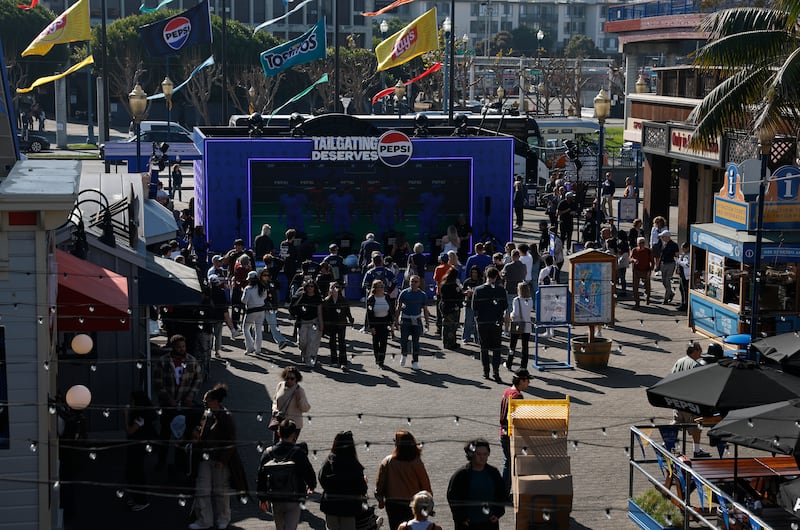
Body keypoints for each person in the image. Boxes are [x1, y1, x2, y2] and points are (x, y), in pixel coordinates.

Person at [190, 384, 246, 530]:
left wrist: (222, 460)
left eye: (206, 401)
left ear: (216, 401)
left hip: (220, 460)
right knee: (202, 489)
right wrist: (196, 433)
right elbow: (200, 426)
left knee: (221, 491)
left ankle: (223, 518)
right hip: (205, 457)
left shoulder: (226, 417)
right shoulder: (207, 413)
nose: (204, 404)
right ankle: (204, 520)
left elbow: (231, 441)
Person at [153, 334, 203, 469]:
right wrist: (168, 399)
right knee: (165, 434)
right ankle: (161, 461)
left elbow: (198, 380)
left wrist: (190, 396)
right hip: (168, 405)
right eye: (179, 347)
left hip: (185, 404)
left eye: (183, 346)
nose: (182, 349)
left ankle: (179, 464)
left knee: (183, 435)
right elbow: (158, 383)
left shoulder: (191, 361)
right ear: (173, 347)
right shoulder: (163, 361)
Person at [258, 420, 317, 530]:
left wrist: (262, 498)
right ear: (294, 435)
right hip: (294, 497)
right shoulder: (298, 453)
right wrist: (311, 485)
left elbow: (261, 477)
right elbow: (308, 472)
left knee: (280, 527)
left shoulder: (268, 453)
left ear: (278, 433)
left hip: (275, 497)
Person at [375, 430, 433, 530]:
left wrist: (380, 499)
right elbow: (425, 484)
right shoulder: (416, 463)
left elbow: (380, 483)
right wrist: (428, 502)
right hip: (412, 503)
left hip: (393, 503)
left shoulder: (388, 461)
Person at [446, 438, 506, 530]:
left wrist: (498, 512)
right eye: (479, 454)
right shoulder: (461, 475)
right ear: (471, 454)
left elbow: (501, 494)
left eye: (485, 454)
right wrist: (462, 518)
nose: (482, 457)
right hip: (469, 525)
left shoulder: (493, 473)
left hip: (489, 524)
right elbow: (453, 497)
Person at [319, 431, 369, 530]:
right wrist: (364, 481)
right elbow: (362, 489)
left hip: (331, 504)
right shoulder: (354, 465)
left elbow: (321, 479)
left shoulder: (329, 461)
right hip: (348, 507)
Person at [670, 343, 711, 458]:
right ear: (695, 351)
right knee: (696, 426)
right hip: (689, 402)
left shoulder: (679, 361)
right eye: (700, 350)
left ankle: (666, 444)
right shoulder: (696, 365)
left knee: (677, 422)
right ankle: (697, 450)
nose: (701, 353)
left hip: (677, 400)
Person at [472, 267, 508, 382]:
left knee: (484, 348)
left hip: (482, 321)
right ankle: (496, 372)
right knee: (497, 348)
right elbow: (505, 306)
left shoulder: (478, 290)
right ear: (496, 276)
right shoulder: (501, 290)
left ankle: (485, 371)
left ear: (485, 275)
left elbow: (474, 307)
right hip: (496, 322)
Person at [499, 370, 530, 496]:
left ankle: (503, 491)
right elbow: (517, 417)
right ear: (521, 380)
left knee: (508, 462)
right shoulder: (517, 396)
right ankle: (504, 492)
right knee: (510, 464)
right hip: (510, 434)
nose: (529, 383)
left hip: (503, 432)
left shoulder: (507, 391)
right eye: (527, 380)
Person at [124, 391, 157, 511]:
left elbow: (130, 431)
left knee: (136, 473)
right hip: (138, 447)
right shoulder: (143, 412)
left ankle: (141, 500)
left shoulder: (140, 416)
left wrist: (126, 415)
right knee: (133, 472)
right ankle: (135, 497)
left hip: (137, 447)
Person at [395, 275, 431, 370]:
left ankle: (415, 361)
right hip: (405, 319)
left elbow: (425, 309)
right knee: (403, 340)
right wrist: (396, 320)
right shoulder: (404, 293)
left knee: (416, 342)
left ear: (419, 283)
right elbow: (398, 307)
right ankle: (404, 354)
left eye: (415, 282)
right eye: (412, 281)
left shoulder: (422, 294)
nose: (413, 283)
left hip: (417, 320)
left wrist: (427, 322)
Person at [272, 366, 311, 442]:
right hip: (280, 422)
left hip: (293, 426)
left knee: (289, 448)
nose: (289, 380)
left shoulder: (299, 390)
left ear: (296, 379)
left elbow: (305, 408)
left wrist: (299, 399)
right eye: (287, 378)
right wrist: (274, 409)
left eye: (292, 379)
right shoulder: (280, 385)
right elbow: (274, 400)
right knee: (276, 444)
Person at [290, 280, 324, 367]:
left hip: (314, 322)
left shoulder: (317, 297)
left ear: (315, 288)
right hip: (303, 322)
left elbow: (319, 312)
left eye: (312, 286)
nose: (310, 288)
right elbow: (294, 307)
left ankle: (309, 359)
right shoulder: (301, 296)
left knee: (312, 341)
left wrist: (321, 323)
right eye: (308, 286)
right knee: (302, 342)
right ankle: (304, 354)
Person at [322, 282, 354, 368]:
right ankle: (334, 360)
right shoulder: (326, 301)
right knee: (332, 342)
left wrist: (351, 320)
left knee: (342, 342)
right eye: (331, 288)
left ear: (338, 289)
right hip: (331, 324)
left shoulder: (343, 300)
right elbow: (323, 313)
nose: (333, 289)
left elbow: (347, 311)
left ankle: (343, 362)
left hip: (341, 324)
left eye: (335, 288)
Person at [366, 279, 395, 368]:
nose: (382, 288)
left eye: (383, 286)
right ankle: (377, 358)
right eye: (380, 286)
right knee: (376, 342)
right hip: (375, 322)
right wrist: (371, 326)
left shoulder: (386, 296)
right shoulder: (371, 299)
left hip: (385, 322)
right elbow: (369, 314)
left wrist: (392, 322)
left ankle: (381, 360)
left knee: (384, 342)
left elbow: (391, 310)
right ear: (375, 288)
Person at [506, 282, 533, 371]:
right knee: (525, 347)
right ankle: (523, 366)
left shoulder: (516, 300)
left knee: (512, 346)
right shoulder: (530, 300)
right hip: (527, 325)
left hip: (517, 324)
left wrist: (510, 315)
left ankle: (509, 363)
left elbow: (515, 313)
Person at [241, 270, 268, 355]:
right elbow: (264, 297)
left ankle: (250, 347)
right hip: (261, 310)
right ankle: (258, 349)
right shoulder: (262, 287)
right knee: (258, 330)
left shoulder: (248, 289)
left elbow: (244, 301)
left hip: (251, 311)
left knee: (245, 329)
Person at [438, 268, 464, 350]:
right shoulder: (454, 286)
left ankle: (446, 342)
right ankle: (451, 343)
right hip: (453, 307)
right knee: (452, 326)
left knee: (446, 325)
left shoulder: (444, 284)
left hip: (445, 306)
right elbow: (459, 296)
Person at [630, 237, 654, 307]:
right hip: (636, 270)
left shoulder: (648, 251)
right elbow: (630, 258)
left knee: (647, 286)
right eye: (640, 243)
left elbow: (652, 261)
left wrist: (650, 270)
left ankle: (648, 298)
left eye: (643, 243)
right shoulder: (634, 250)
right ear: (637, 244)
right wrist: (633, 260)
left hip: (646, 270)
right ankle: (637, 302)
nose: (642, 244)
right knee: (635, 287)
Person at [658, 230, 680, 304]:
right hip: (663, 263)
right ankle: (671, 293)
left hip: (670, 264)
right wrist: (658, 265)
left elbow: (677, 256)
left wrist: (678, 266)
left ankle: (666, 299)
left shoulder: (674, 245)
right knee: (664, 281)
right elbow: (661, 255)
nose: (662, 238)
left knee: (667, 281)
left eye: (663, 237)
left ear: (667, 237)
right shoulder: (663, 244)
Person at [461, 266, 482, 344]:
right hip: (469, 304)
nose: (474, 274)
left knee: (478, 323)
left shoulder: (481, 281)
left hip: (479, 305)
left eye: (475, 272)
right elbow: (463, 291)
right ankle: (466, 338)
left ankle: (478, 339)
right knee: (468, 322)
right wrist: (466, 293)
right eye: (473, 272)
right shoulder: (467, 282)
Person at [676, 242, 691, 311]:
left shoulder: (688, 255)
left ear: (687, 248)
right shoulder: (684, 254)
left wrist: (678, 261)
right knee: (681, 289)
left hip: (686, 276)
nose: (682, 250)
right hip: (682, 275)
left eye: (683, 249)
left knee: (685, 290)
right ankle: (683, 303)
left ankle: (685, 304)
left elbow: (687, 265)